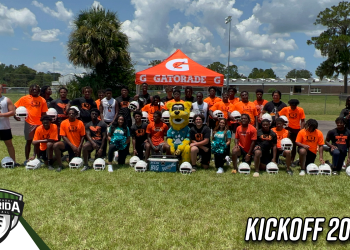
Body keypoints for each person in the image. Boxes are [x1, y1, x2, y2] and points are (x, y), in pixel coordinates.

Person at [14, 84, 48, 164]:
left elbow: (44, 113)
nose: (34, 91)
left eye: (36, 89)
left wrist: (44, 123)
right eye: (32, 89)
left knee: (37, 142)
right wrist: (15, 115)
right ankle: (26, 159)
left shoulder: (42, 100)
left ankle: (37, 157)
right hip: (29, 123)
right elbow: (15, 107)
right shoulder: (25, 98)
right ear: (30, 90)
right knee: (28, 142)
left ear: (39, 91)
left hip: (39, 124)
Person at [53, 108, 86, 172]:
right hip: (68, 143)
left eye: (73, 113)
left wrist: (79, 147)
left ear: (76, 114)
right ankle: (60, 165)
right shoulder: (64, 122)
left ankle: (66, 158)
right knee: (56, 145)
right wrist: (72, 146)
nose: (71, 114)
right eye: (69, 113)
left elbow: (83, 136)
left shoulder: (80, 123)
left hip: (77, 145)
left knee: (74, 163)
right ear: (67, 114)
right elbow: (63, 136)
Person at [0, 84, 18, 165]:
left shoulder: (6, 100)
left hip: (4, 127)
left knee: (9, 144)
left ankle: (13, 161)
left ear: (1, 90)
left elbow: (12, 112)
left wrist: (2, 115)